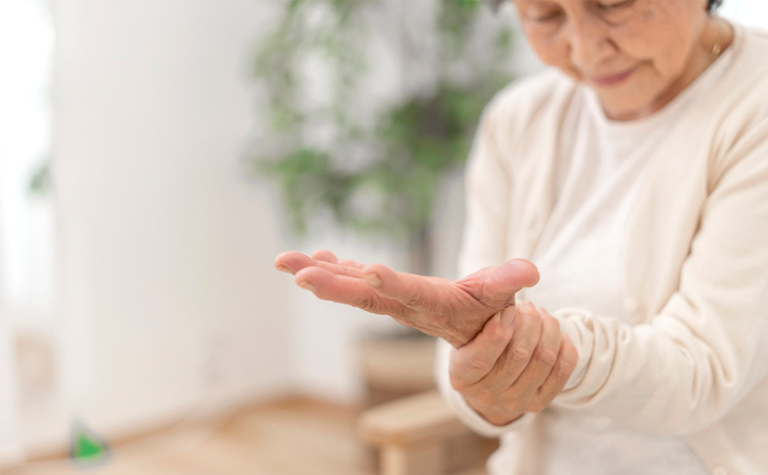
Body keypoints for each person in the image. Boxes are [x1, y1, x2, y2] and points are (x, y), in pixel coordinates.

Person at [275, 0, 768, 473]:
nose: (586, 50)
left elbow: (701, 373)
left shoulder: (753, 105)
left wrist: (540, 352)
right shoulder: (517, 121)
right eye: (545, 15)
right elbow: (466, 387)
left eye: (614, 3)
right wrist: (481, 367)